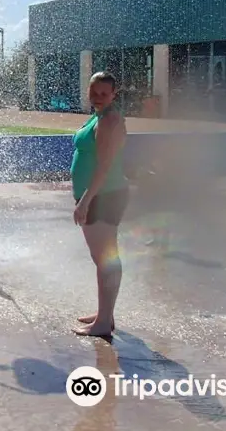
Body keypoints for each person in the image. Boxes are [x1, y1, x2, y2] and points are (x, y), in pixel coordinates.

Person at [71, 72, 129, 337]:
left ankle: (104, 322)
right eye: (93, 92)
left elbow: (105, 166)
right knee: (101, 258)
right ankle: (104, 313)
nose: (97, 97)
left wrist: (85, 201)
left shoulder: (109, 120)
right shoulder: (100, 115)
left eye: (104, 94)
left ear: (114, 94)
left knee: (106, 258)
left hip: (103, 196)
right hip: (99, 194)